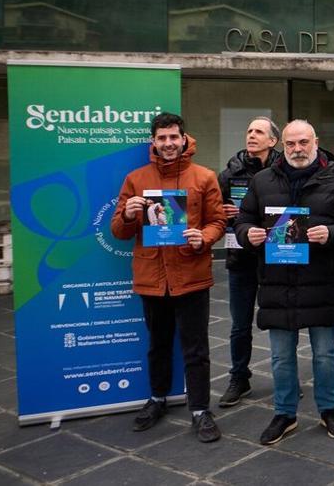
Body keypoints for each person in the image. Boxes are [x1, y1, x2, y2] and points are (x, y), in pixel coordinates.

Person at [235, 120, 334, 445]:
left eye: (303, 142)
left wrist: (332, 233)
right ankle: (284, 413)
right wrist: (246, 234)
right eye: (291, 143)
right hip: (277, 282)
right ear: (283, 145)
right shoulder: (262, 180)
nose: (297, 149)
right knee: (280, 356)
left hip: (322, 281)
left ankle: (329, 409)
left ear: (316, 142)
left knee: (324, 354)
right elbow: (243, 219)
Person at [110, 112, 226, 443]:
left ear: (184, 138)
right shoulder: (135, 179)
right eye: (161, 138)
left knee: (196, 348)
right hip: (152, 277)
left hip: (191, 275)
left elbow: (218, 221)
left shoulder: (204, 177)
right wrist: (129, 215)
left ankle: (201, 409)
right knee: (158, 345)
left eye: (173, 137)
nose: (168, 143)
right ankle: (157, 399)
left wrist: (203, 237)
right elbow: (118, 231)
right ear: (154, 142)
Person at [217, 116, 280, 408]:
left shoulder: (284, 169)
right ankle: (239, 377)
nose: (252, 135)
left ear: (272, 141)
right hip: (241, 256)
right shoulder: (230, 172)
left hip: (277, 258)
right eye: (249, 130)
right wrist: (222, 212)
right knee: (240, 324)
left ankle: (285, 377)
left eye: (259, 132)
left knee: (282, 323)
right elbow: (213, 212)